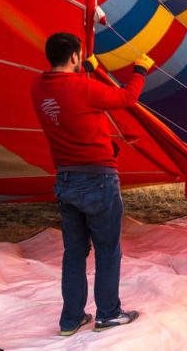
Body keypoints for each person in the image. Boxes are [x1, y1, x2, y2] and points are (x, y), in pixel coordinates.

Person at [31, 33, 154, 336]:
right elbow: (126, 98)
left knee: (74, 253)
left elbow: (69, 98)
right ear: (74, 57)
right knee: (107, 251)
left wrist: (89, 69)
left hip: (66, 180)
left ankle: (70, 320)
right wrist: (140, 70)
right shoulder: (84, 88)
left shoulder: (38, 88)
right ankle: (108, 314)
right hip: (98, 179)